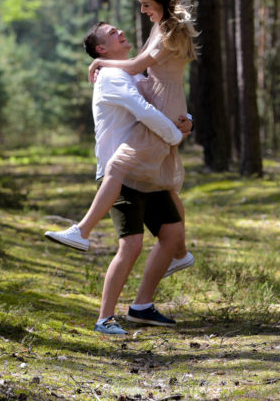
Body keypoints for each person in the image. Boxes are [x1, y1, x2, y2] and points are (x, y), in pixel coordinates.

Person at [46, 0, 197, 272]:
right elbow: (144, 77)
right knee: (165, 187)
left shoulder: (169, 30)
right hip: (165, 103)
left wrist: (102, 62)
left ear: (160, 0)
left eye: (145, 4)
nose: (142, 11)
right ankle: (179, 253)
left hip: (162, 106)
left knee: (117, 168)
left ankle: (83, 231)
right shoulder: (160, 27)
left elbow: (137, 67)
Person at [49, 20, 191, 334]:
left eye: (118, 29)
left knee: (171, 235)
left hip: (148, 167)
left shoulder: (132, 73)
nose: (121, 32)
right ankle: (104, 319)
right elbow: (142, 109)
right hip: (121, 171)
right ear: (101, 49)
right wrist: (172, 135)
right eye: (112, 33)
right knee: (131, 244)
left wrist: (185, 121)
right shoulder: (111, 77)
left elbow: (162, 101)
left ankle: (141, 306)